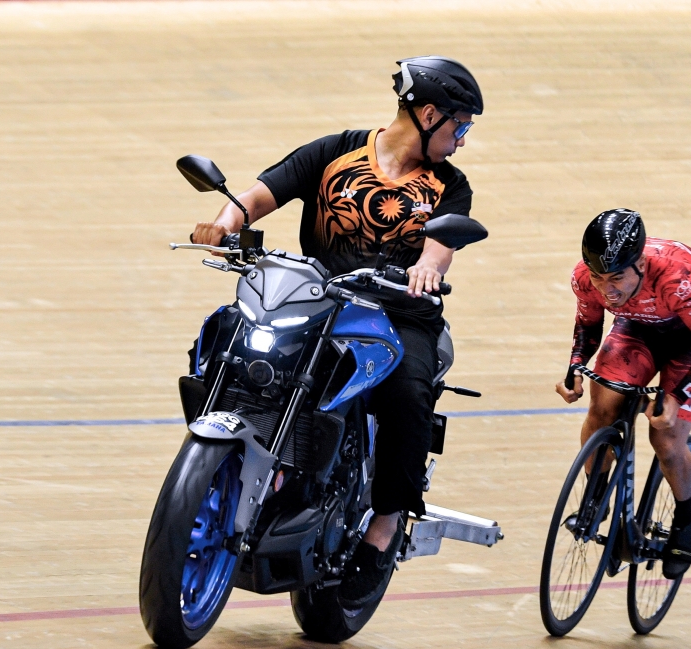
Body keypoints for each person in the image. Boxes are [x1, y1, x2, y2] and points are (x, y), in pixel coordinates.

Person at [191, 56, 483, 608]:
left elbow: (439, 251)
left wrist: (427, 270)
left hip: (398, 313)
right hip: (319, 299)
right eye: (459, 125)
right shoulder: (333, 153)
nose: (462, 140)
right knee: (228, 335)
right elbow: (253, 199)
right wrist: (224, 226)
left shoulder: (450, 185)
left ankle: (387, 524)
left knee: (407, 393)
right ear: (426, 114)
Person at [555, 209, 691, 579]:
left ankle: (685, 521)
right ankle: (597, 497)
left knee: (665, 437)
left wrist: (678, 394)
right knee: (602, 405)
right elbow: (588, 324)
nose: (607, 289)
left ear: (639, 264)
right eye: (599, 278)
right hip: (638, 328)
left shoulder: (676, 280)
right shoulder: (585, 279)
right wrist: (575, 366)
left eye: (617, 278)